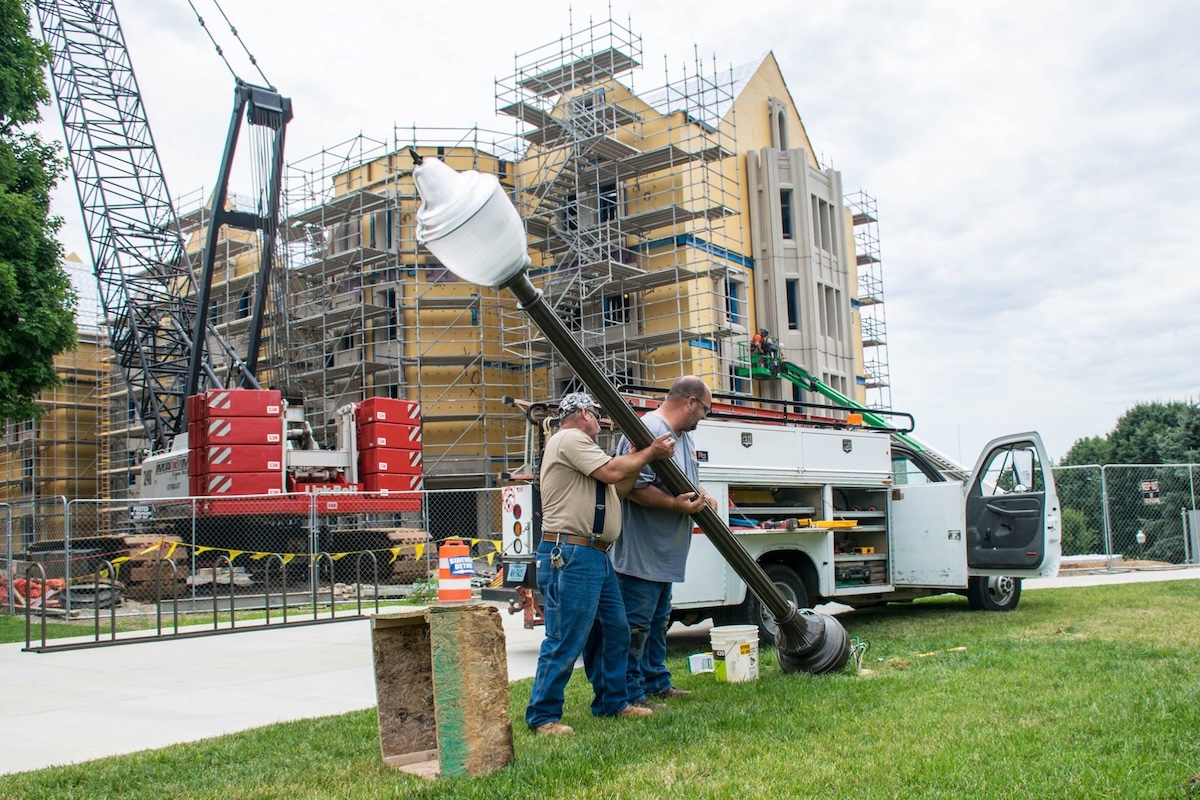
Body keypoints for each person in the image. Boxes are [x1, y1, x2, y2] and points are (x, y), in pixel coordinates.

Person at [525, 391, 677, 736]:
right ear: (582, 414)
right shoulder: (569, 438)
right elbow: (611, 472)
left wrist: (639, 459)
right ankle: (542, 716)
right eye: (596, 413)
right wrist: (650, 452)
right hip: (572, 554)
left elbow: (618, 487)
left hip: (592, 554)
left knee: (615, 630)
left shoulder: (581, 451)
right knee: (565, 638)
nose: (600, 420)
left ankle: (613, 702)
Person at [613, 376, 716, 709]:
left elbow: (681, 484)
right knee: (636, 626)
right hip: (643, 552)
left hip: (665, 553)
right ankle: (630, 693)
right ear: (690, 402)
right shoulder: (648, 430)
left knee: (658, 622)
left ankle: (657, 682)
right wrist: (674, 505)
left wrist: (702, 496)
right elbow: (632, 487)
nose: (704, 417)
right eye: (705, 409)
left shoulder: (681, 437)